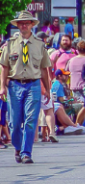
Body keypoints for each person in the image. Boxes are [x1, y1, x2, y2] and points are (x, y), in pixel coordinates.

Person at [0, 11, 53, 164]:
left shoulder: (39, 44)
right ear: (17, 25)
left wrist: (47, 89)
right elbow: (4, 67)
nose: (24, 25)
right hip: (15, 85)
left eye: (27, 23)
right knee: (14, 122)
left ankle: (26, 152)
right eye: (21, 23)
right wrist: (2, 86)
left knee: (31, 120)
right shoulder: (10, 44)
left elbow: (44, 69)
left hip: (33, 85)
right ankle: (18, 146)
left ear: (31, 25)